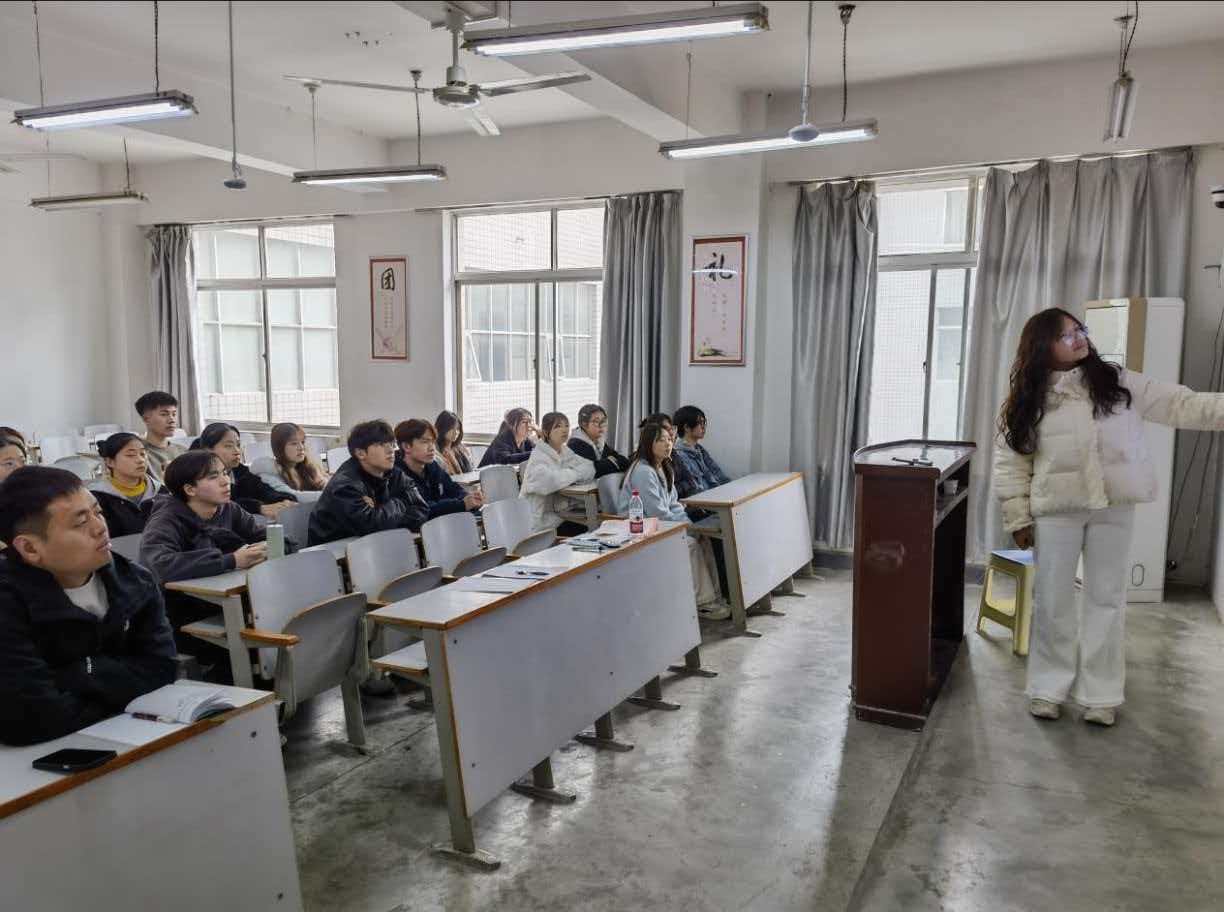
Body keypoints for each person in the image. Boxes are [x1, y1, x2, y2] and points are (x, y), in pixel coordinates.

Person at [994, 307, 1224, 727]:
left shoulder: (1116, 380)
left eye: (1079, 329)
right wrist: (1018, 519)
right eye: (1066, 335)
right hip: (1057, 510)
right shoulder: (1031, 397)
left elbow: (1181, 404)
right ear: (1042, 347)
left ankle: (1100, 695)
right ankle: (1047, 688)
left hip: (1113, 507)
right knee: (1053, 601)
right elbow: (1011, 462)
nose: (1079, 337)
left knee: (1106, 599)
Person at [0, 466, 176, 745]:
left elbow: (162, 671)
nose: (100, 527)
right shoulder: (8, 602)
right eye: (81, 522)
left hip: (132, 736)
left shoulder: (135, 580)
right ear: (30, 549)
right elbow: (30, 717)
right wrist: (120, 686)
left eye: (98, 512)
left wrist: (83, 671)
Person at [140, 452, 268, 664]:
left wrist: (267, 546)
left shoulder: (228, 509)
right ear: (190, 490)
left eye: (224, 473)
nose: (225, 481)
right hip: (183, 615)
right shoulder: (166, 520)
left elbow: (268, 535)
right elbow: (161, 565)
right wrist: (232, 560)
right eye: (213, 477)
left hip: (230, 603)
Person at [618, 422, 730, 620]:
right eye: (661, 440)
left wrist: (688, 525)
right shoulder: (643, 471)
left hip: (662, 524)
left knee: (703, 538)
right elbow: (657, 512)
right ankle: (704, 603)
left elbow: (675, 505)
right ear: (648, 444)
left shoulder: (663, 467)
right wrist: (686, 529)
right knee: (690, 544)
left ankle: (715, 596)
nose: (668, 444)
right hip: (641, 528)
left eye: (669, 439)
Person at [308, 420, 430, 545]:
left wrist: (382, 511)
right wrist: (401, 502)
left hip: (374, 546)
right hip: (335, 552)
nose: (391, 450)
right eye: (381, 444)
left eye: (391, 443)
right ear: (361, 453)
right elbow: (372, 526)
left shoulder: (395, 474)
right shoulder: (345, 486)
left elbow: (422, 511)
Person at [192, 422, 296, 519]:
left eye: (238, 445)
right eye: (228, 446)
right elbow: (219, 505)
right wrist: (259, 508)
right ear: (208, 450)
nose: (237, 451)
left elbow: (265, 491)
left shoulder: (240, 471)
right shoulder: (199, 477)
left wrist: (284, 501)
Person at [519, 412, 595, 536]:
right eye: (558, 426)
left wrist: (569, 475)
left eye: (566, 425)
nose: (564, 430)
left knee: (592, 522)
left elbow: (590, 467)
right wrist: (575, 474)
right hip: (538, 523)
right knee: (589, 528)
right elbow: (551, 481)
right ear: (545, 432)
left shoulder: (564, 450)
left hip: (558, 516)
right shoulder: (539, 456)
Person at [394, 419, 483, 519]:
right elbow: (423, 509)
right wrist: (462, 504)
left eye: (432, 442)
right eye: (425, 442)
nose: (432, 448)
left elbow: (454, 489)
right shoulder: (396, 475)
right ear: (406, 446)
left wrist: (470, 498)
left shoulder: (431, 465)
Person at [88, 432, 161, 537]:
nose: (140, 460)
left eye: (142, 454)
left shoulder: (161, 492)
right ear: (110, 462)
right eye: (130, 455)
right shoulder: (96, 498)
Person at [672, 405, 732, 500]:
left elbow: (719, 474)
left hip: (716, 498)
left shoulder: (699, 450)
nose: (703, 427)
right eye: (700, 423)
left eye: (704, 423)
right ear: (687, 427)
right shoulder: (678, 455)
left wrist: (731, 491)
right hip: (703, 503)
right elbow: (694, 488)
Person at [135, 391, 187, 482]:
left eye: (174, 414)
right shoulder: (137, 454)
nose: (172, 420)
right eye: (164, 414)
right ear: (146, 419)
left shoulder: (183, 451)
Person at [568, 404, 631, 478]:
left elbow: (623, 461)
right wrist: (609, 462)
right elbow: (597, 471)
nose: (601, 426)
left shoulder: (598, 440)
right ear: (584, 424)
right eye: (596, 421)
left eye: (603, 421)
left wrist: (609, 462)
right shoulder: (575, 444)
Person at [269, 422, 328, 492]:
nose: (301, 447)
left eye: (302, 442)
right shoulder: (274, 473)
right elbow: (294, 496)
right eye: (294, 443)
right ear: (279, 447)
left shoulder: (310, 467)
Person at [435, 410, 473, 476]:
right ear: (442, 428)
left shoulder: (460, 448)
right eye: (452, 428)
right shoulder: (436, 450)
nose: (456, 432)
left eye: (458, 429)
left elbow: (470, 469)